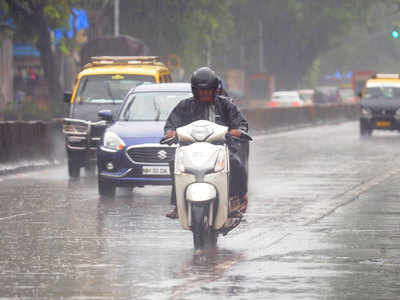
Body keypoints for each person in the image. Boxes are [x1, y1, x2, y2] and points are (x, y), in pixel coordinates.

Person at [164, 66, 249, 219]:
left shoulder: (226, 105)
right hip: (191, 150)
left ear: (215, 90)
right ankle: (178, 203)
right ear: (194, 90)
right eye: (201, 90)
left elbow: (241, 123)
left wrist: (238, 130)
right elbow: (171, 124)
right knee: (173, 161)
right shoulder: (184, 106)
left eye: (208, 90)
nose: (204, 93)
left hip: (220, 148)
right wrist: (170, 132)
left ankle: (237, 198)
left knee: (235, 162)